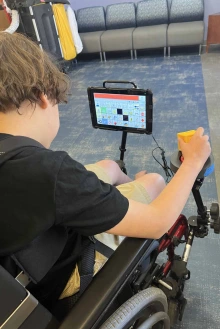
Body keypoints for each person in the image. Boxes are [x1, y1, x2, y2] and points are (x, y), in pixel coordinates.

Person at [0, 32, 211, 314]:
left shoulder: (32, 165)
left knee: (110, 167)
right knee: (156, 180)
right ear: (42, 97)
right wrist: (193, 161)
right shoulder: (51, 171)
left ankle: (117, 197)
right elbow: (159, 222)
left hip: (28, 251)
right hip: (67, 271)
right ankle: (136, 194)